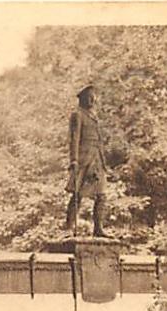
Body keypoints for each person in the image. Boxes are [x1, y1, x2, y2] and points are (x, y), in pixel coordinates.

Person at [65, 84, 108, 237]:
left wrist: (103, 161)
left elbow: (100, 140)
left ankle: (99, 228)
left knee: (102, 195)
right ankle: (69, 228)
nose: (92, 100)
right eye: (89, 97)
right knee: (78, 195)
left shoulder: (94, 116)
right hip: (84, 160)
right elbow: (74, 138)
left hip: (97, 160)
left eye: (93, 97)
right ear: (82, 98)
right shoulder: (78, 114)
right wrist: (74, 160)